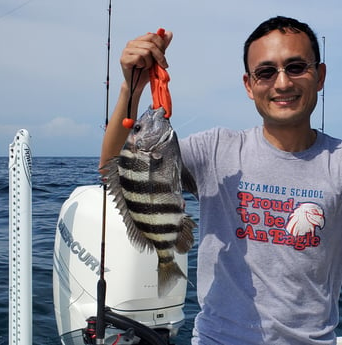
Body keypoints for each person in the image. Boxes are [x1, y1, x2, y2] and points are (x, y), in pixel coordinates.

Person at [99, 16, 342, 345]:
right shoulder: (216, 149)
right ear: (248, 84)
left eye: (296, 67)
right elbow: (115, 170)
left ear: (320, 75)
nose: (282, 83)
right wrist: (132, 88)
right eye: (266, 72)